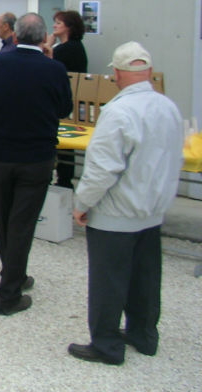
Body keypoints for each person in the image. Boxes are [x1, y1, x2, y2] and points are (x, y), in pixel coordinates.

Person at [68, 42, 183, 365]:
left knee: (108, 279)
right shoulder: (168, 107)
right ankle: (144, 335)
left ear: (116, 74)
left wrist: (82, 203)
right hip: (152, 209)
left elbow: (103, 168)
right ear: (148, 72)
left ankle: (105, 344)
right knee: (146, 276)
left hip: (116, 212)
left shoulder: (118, 112)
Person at [0, 12, 73, 315]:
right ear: (43, 38)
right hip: (36, 157)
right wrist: (49, 60)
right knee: (22, 224)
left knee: (3, 218)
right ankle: (9, 293)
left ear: (16, 36)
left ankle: (14, 274)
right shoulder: (55, 70)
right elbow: (64, 108)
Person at [50, 9, 89, 189]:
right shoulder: (63, 47)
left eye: (58, 23)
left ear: (69, 27)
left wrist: (48, 46)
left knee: (64, 143)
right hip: (62, 97)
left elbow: (49, 65)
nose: (54, 26)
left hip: (67, 99)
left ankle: (64, 179)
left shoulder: (70, 48)